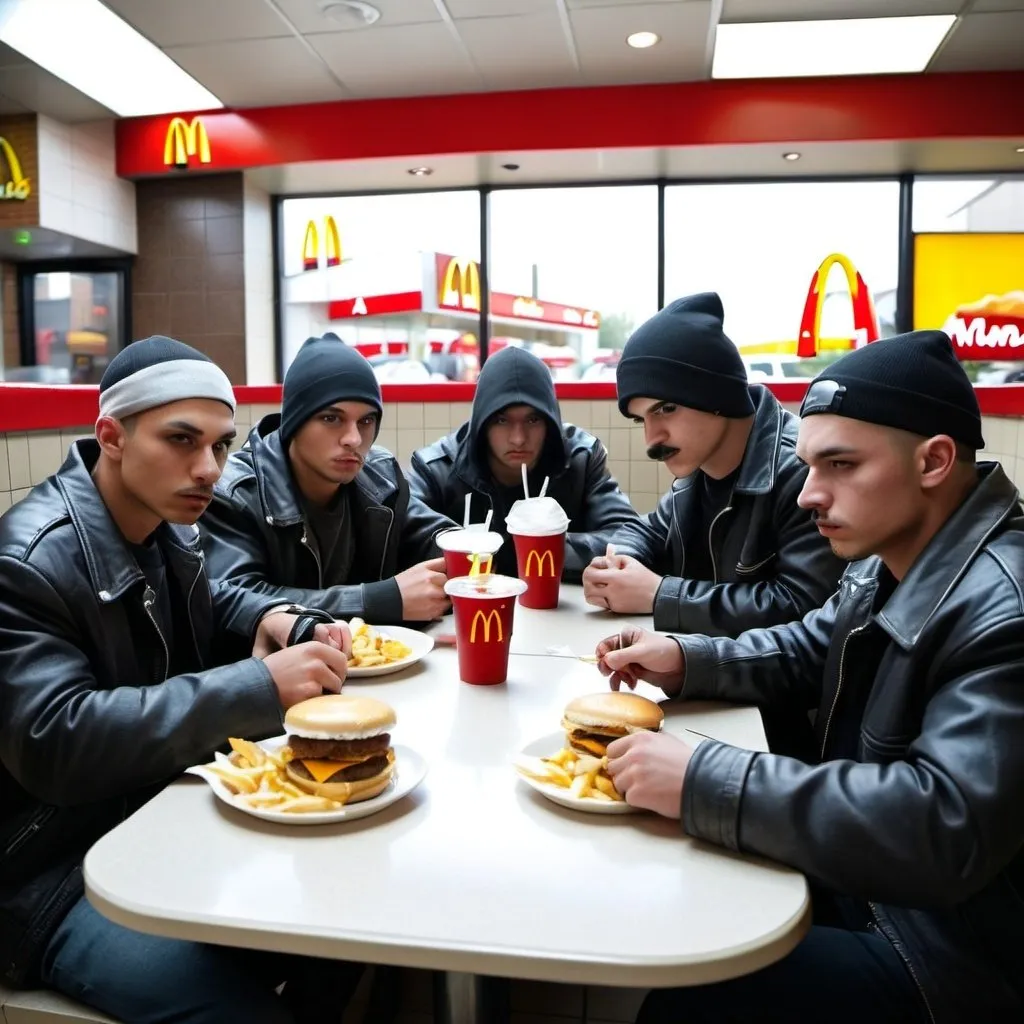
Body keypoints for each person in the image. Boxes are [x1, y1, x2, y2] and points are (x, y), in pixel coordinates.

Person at [595, 330, 1024, 1024]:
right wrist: (684, 656)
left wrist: (705, 777)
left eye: (841, 465)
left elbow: (943, 823)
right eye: (808, 466)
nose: (808, 496)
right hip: (871, 885)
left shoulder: (1005, 607)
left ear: (935, 461)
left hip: (947, 953)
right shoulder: (887, 556)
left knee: (689, 1005)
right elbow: (807, 643)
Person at [0, 336, 360, 1024]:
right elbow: (56, 740)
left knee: (347, 922)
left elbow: (218, 598)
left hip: (152, 823)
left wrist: (284, 617)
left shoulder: (169, 531)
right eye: (182, 440)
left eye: (221, 446)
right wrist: (260, 688)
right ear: (112, 435)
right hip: (45, 877)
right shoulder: (27, 562)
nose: (208, 469)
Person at [583, 292, 842, 634]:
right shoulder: (696, 471)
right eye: (640, 419)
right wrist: (617, 564)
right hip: (702, 671)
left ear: (714, 395)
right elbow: (647, 530)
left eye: (666, 409)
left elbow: (804, 606)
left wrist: (660, 595)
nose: (652, 439)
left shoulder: (800, 470)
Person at [202, 335, 458, 632]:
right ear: (295, 423)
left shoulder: (379, 476)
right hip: (282, 671)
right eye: (331, 418)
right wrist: (375, 600)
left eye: (366, 421)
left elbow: (434, 536)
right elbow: (237, 601)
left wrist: (465, 551)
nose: (354, 439)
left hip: (380, 668)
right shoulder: (235, 492)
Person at [408, 345, 637, 580]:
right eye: (501, 420)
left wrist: (545, 546)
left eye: (533, 419)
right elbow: (405, 539)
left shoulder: (580, 458)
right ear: (481, 423)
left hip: (563, 612)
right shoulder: (437, 468)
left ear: (550, 422)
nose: (518, 438)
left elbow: (628, 538)